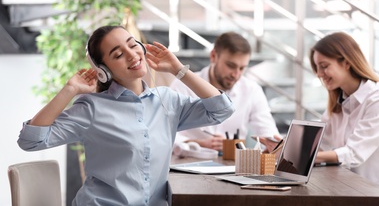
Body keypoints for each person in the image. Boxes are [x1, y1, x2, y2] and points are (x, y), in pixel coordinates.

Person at [17, 25, 235, 206]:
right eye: (118, 55)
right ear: (104, 70)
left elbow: (221, 109)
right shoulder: (92, 108)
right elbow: (31, 141)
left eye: (133, 45)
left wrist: (179, 69)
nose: (132, 55)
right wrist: (69, 90)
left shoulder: (167, 101)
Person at [310, 31, 379, 191]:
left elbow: (354, 154)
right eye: (317, 68)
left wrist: (306, 157)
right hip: (348, 188)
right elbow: (323, 146)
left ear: (346, 62)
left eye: (324, 66)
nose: (319, 74)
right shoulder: (337, 104)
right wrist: (284, 149)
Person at [170, 32, 281, 152]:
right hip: (188, 161)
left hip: (233, 165)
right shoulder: (183, 86)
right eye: (231, 65)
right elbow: (162, 132)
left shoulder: (252, 90)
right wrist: (197, 144)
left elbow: (268, 132)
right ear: (213, 56)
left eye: (242, 68)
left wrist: (272, 146)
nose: (236, 74)